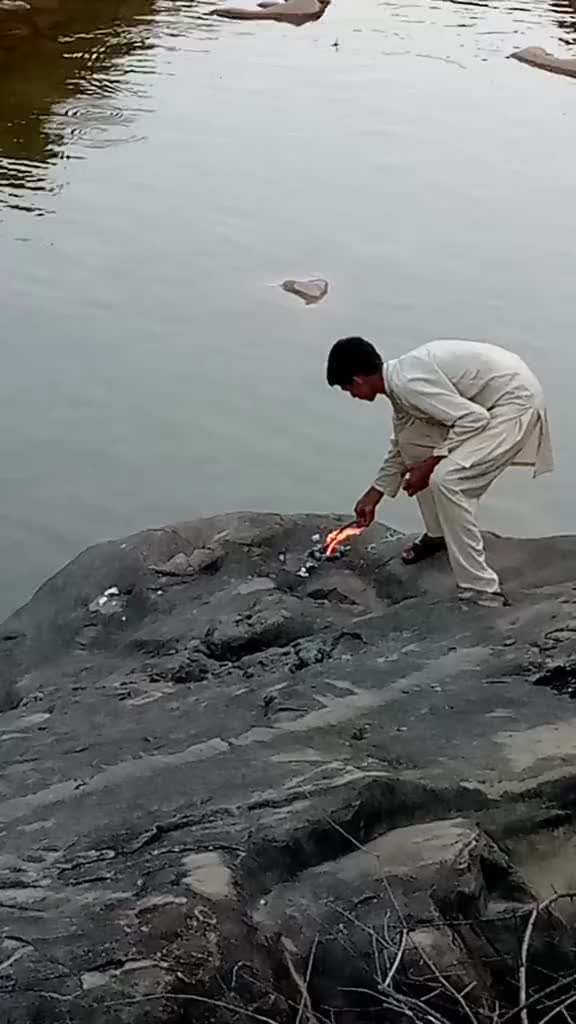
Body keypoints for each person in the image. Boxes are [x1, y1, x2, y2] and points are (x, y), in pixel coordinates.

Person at [326, 337, 553, 606]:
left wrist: (430, 464)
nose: (351, 395)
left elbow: (474, 419)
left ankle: (481, 588)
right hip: (494, 396)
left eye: (348, 388)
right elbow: (403, 442)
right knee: (414, 443)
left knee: (448, 481)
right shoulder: (399, 385)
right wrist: (375, 493)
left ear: (358, 379)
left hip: (514, 402)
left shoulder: (409, 384)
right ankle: (438, 535)